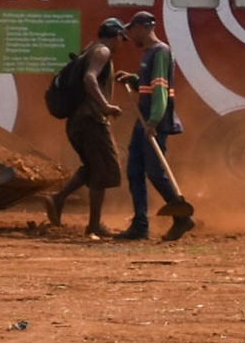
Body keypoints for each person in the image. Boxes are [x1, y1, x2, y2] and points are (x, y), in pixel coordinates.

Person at [38, 16, 127, 238]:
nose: (121, 44)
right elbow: (89, 78)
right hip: (90, 121)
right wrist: (105, 106)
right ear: (116, 36)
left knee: (94, 167)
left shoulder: (91, 50)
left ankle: (58, 199)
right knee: (105, 169)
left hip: (79, 123)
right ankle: (94, 224)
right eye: (121, 39)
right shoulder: (102, 51)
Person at [119, 14, 198, 241]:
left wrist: (154, 121)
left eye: (131, 30)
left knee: (154, 170)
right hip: (143, 121)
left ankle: (182, 217)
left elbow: (161, 91)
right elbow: (147, 85)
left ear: (143, 28)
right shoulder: (148, 54)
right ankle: (140, 224)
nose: (130, 35)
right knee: (134, 170)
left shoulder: (160, 52)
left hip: (154, 122)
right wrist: (132, 80)